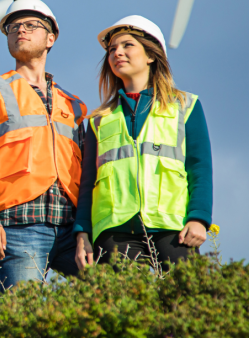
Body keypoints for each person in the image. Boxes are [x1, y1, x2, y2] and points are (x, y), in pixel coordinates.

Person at [0, 0, 87, 291]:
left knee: (115, 301)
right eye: (13, 27)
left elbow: (88, 177)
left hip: (72, 230)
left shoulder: (72, 104)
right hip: (18, 226)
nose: (20, 30)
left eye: (31, 25)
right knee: (21, 317)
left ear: (51, 38)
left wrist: (86, 230)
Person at [74, 16, 212, 269]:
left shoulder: (185, 107)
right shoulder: (97, 121)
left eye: (127, 45)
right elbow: (87, 184)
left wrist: (199, 219)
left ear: (151, 55)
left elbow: (199, 168)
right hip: (114, 230)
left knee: (184, 303)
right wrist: (82, 233)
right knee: (122, 308)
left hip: (174, 227)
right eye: (112, 49)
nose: (117, 53)